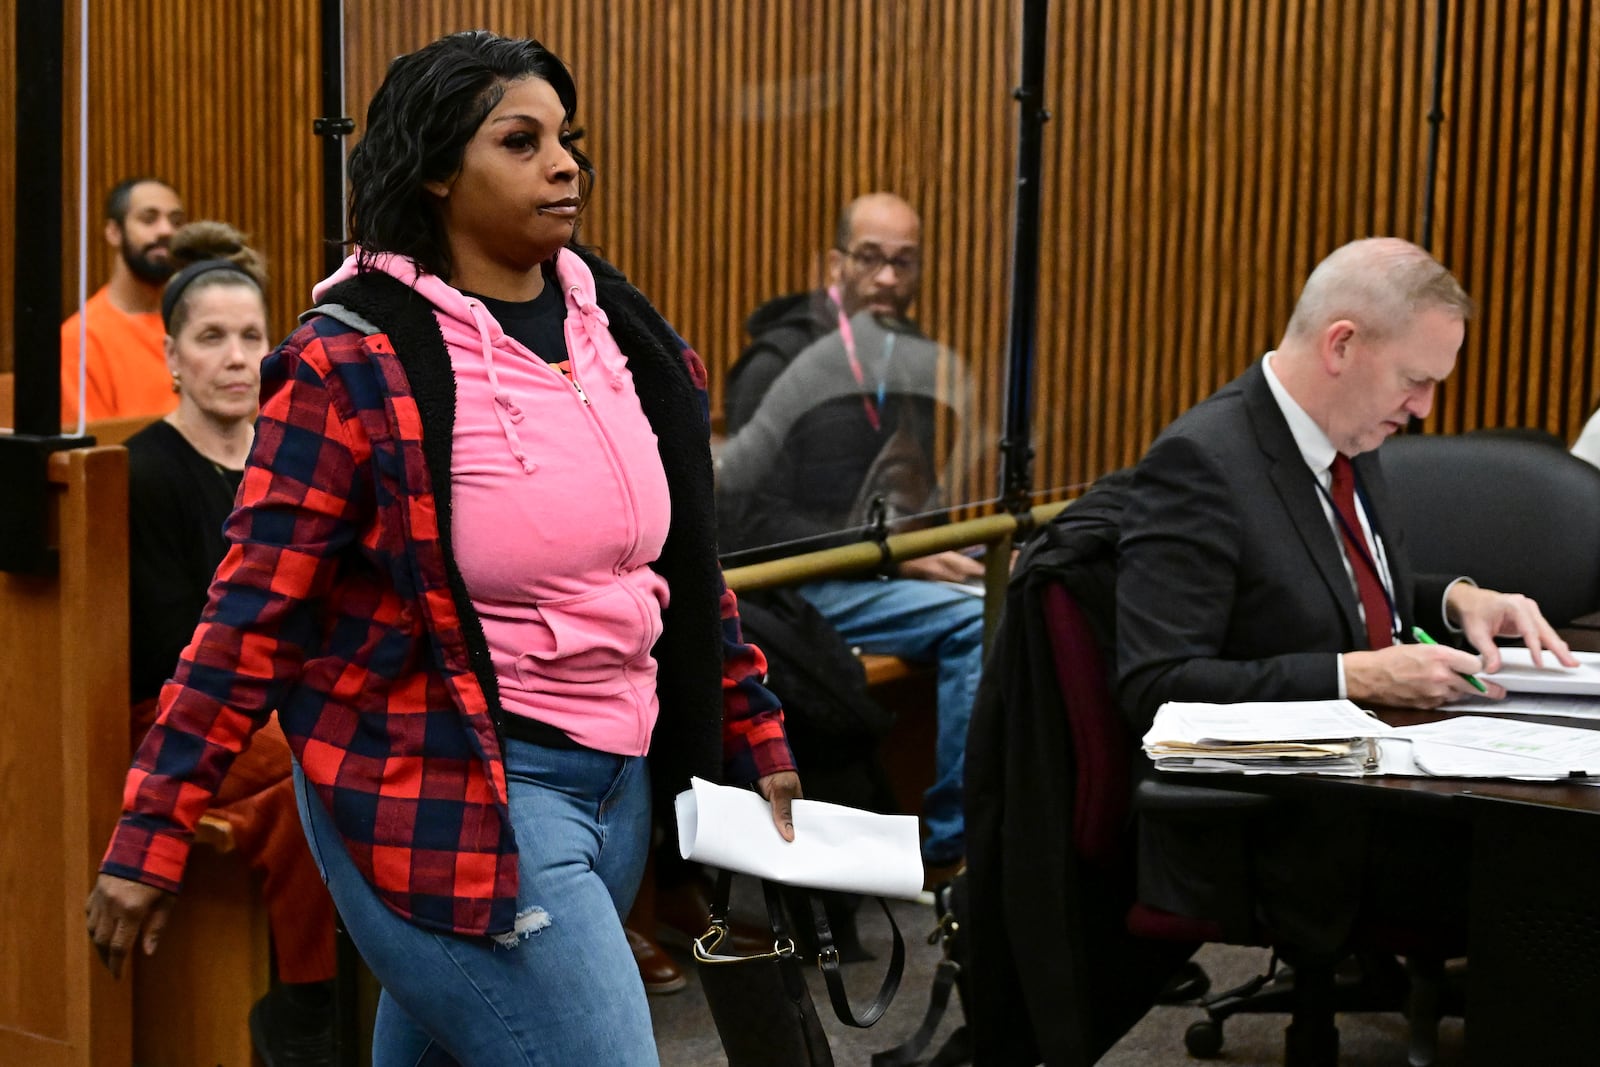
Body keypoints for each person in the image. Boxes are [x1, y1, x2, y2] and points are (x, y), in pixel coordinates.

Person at [86, 31, 800, 1066]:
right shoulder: (350, 359)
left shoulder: (616, 328)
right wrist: (153, 827)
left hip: (617, 781)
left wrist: (753, 727)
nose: (564, 163)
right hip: (453, 795)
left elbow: (675, 567)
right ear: (434, 169)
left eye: (567, 138)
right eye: (521, 140)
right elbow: (250, 610)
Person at [1116, 238, 1577, 979]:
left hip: (1384, 779)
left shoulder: (1347, 436)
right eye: (1415, 380)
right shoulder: (1200, 463)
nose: (1424, 408)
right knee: (1557, 866)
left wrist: (1459, 599)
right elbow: (1155, 684)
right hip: (1291, 821)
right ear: (1343, 345)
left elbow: (1332, 587)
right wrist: (1355, 676)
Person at [123, 220, 338, 1065]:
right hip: (179, 712)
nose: (238, 356)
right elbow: (175, 647)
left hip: (282, 702)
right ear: (172, 355)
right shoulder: (143, 471)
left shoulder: (289, 457)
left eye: (253, 336)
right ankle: (310, 1009)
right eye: (211, 338)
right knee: (312, 770)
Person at [717, 192, 980, 880]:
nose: (889, 278)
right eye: (870, 259)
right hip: (791, 595)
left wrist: (924, 543)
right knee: (982, 621)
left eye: (904, 262)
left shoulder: (908, 357)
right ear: (835, 265)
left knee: (1018, 578)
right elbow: (746, 524)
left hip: (878, 569)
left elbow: (906, 492)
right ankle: (953, 848)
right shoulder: (778, 363)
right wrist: (885, 546)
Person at [60, 177, 188, 423]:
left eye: (176, 221)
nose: (166, 231)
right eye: (149, 219)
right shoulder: (80, 339)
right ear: (114, 232)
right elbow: (94, 451)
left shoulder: (195, 324)